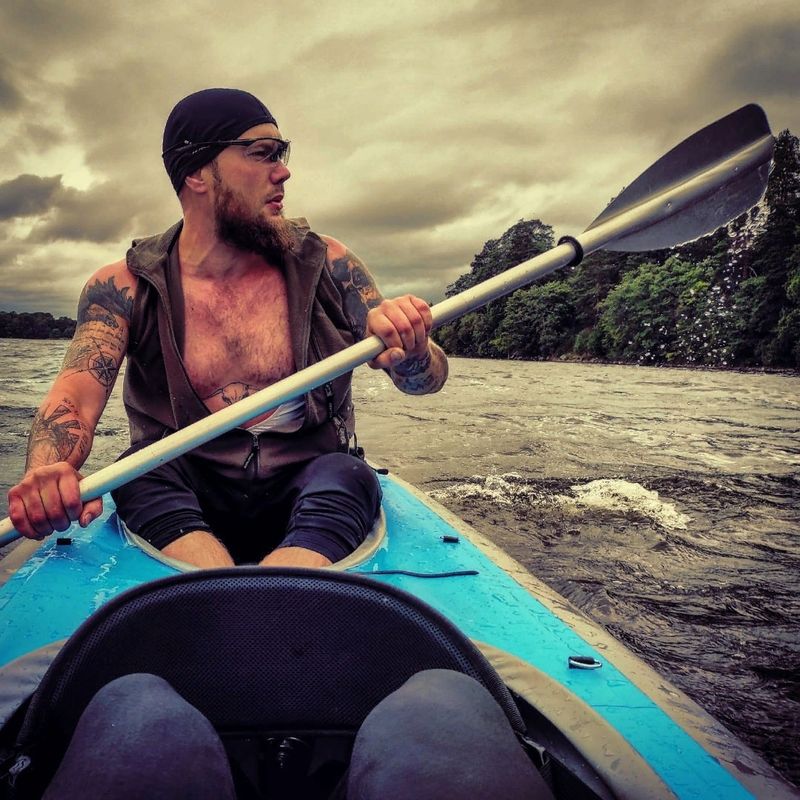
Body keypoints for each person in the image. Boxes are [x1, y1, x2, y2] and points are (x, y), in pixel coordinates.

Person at [6, 88, 449, 568]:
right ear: (196, 172)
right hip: (182, 489)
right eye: (263, 154)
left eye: (281, 154)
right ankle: (220, 585)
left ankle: (279, 583)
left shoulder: (328, 264)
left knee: (347, 475)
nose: (283, 172)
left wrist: (414, 348)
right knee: (137, 473)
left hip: (313, 480)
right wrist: (50, 473)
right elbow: (73, 397)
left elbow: (425, 381)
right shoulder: (124, 285)